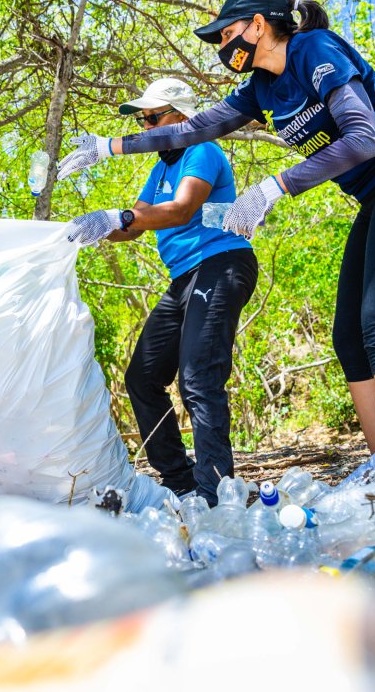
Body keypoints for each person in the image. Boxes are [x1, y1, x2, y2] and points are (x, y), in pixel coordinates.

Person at [58, 0, 375, 455]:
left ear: (259, 25)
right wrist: (109, 146)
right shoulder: (261, 89)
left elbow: (364, 139)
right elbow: (192, 129)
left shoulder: (314, 48)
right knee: (348, 338)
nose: (222, 48)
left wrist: (274, 187)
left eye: (225, 35)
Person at [64, 79, 258, 504]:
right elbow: (134, 227)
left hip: (221, 263)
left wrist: (125, 215)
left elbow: (180, 209)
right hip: (185, 277)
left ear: (181, 116)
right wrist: (97, 227)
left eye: (152, 117)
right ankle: (179, 481)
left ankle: (214, 492)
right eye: (142, 120)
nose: (146, 127)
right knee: (143, 377)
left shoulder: (201, 150)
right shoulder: (162, 166)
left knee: (198, 376)